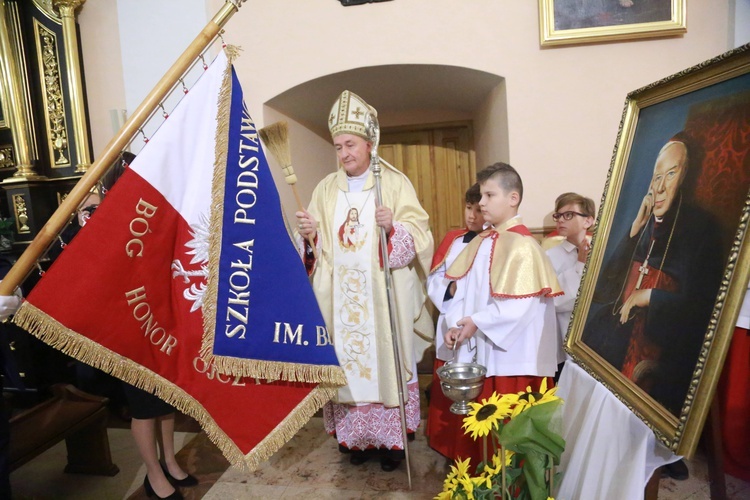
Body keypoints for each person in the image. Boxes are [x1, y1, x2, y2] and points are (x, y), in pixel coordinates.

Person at [295, 90, 434, 472]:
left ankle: (390, 443)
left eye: (350, 145)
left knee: (384, 362)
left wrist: (395, 228)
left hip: (381, 298)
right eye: (338, 147)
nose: (343, 154)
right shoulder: (326, 187)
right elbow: (320, 250)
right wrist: (311, 235)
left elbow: (420, 236)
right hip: (341, 302)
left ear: (369, 144)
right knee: (347, 366)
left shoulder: (393, 183)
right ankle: (356, 440)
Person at [427, 162, 562, 463]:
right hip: (483, 353)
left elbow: (519, 306)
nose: (482, 203)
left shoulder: (523, 246)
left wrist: (476, 322)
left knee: (510, 440)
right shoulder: (483, 241)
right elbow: (460, 291)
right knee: (484, 438)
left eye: (489, 195)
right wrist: (456, 324)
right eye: (480, 197)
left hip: (511, 360)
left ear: (513, 198)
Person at [583, 132, 724, 416]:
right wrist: (634, 230)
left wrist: (650, 296)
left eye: (670, 174)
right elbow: (603, 290)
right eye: (655, 177)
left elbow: (704, 308)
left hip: (662, 353)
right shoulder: (646, 225)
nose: (659, 188)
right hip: (616, 345)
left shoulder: (702, 230)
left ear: (686, 176)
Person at [426, 183, 483, 363]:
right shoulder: (454, 240)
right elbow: (435, 276)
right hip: (452, 315)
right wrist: (449, 289)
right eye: (468, 208)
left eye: (478, 210)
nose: (471, 216)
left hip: (479, 319)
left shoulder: (497, 240)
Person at [545, 192, 595, 380]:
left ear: (588, 221)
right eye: (558, 215)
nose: (560, 220)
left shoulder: (600, 249)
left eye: (569, 215)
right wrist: (580, 264)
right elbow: (556, 302)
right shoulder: (550, 256)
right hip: (566, 337)